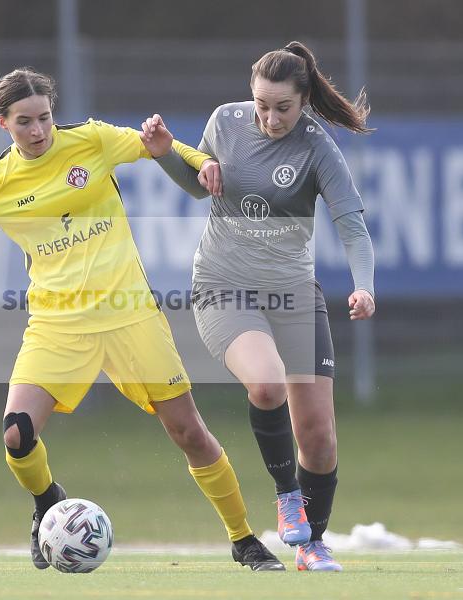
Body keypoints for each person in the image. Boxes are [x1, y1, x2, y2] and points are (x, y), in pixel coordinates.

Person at [0, 68, 285, 571]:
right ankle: (47, 501)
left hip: (130, 316)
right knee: (17, 435)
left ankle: (243, 539)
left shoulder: (91, 140)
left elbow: (162, 145)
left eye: (44, 117)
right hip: (56, 326)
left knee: (189, 433)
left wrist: (202, 164)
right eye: (24, 122)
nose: (38, 131)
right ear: (3, 123)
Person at [141, 41, 376, 572]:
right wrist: (165, 153)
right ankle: (286, 494)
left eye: (283, 108)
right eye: (261, 105)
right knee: (266, 385)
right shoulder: (225, 122)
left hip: (293, 292)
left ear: (304, 100)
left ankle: (311, 543)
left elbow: (352, 226)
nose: (269, 118)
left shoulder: (318, 146)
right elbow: (201, 187)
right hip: (224, 286)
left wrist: (364, 286)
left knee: (317, 436)